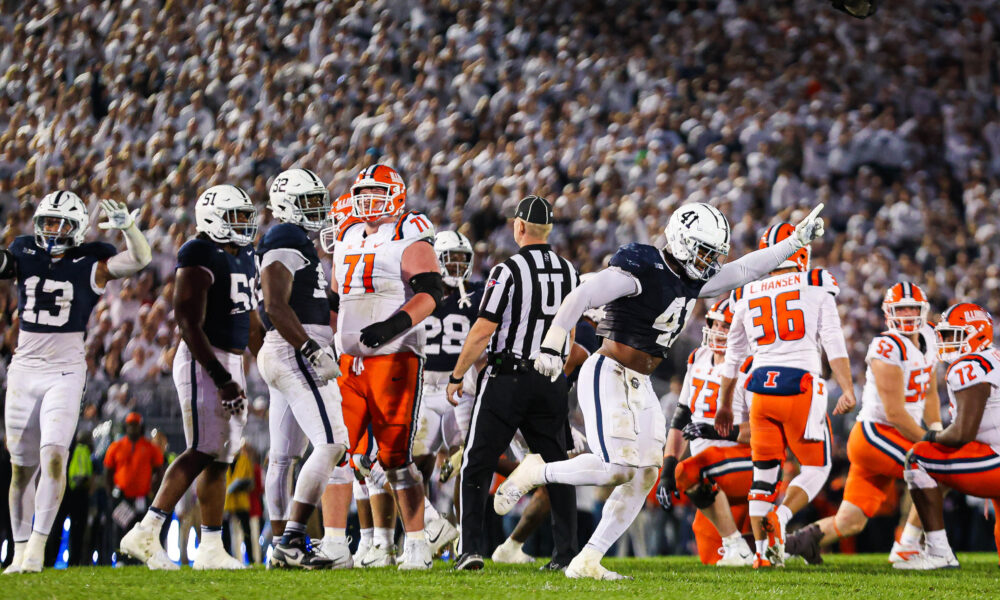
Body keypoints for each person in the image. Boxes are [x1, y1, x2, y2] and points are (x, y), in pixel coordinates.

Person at [495, 203, 826, 580]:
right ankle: (538, 470)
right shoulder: (643, 267)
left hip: (639, 382)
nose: (710, 261)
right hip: (608, 372)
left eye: (713, 253)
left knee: (646, 474)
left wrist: (795, 241)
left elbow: (747, 268)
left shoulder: (690, 279)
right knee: (617, 469)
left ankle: (588, 559)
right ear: (682, 242)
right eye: (704, 251)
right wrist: (554, 342)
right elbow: (581, 296)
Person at [2, 192, 151, 574]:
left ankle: (36, 548)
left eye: (60, 223)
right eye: (47, 222)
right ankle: (19, 551)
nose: (52, 230)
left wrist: (129, 229)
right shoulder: (24, 251)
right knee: (21, 468)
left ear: (78, 227)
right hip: (24, 367)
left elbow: (140, 258)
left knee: (54, 456)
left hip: (66, 369)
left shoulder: (90, 261)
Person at [120, 184, 261, 570]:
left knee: (222, 456)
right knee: (202, 446)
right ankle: (146, 530)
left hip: (231, 361)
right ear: (213, 218)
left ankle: (211, 548)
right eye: (236, 217)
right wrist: (221, 377)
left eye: (246, 217)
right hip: (204, 359)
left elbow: (249, 318)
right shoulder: (198, 251)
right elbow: (187, 321)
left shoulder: (245, 254)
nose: (244, 225)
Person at [447, 195, 580, 572]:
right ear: (549, 230)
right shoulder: (569, 271)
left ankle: (471, 549)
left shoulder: (508, 270)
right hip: (551, 377)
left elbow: (484, 329)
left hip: (508, 376)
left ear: (519, 227)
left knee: (476, 463)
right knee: (558, 468)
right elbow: (569, 334)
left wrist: (458, 374)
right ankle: (566, 554)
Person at [715, 221, 855, 568]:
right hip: (800, 386)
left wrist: (723, 405)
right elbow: (833, 341)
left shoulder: (746, 295)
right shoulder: (816, 284)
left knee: (764, 472)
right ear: (801, 252)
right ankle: (781, 516)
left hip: (759, 390)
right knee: (818, 465)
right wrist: (848, 387)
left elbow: (732, 359)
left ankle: (763, 555)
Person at [329, 164, 444, 570]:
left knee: (395, 457)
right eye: (363, 191)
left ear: (396, 194)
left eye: (378, 191)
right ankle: (342, 543)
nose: (368, 199)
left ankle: (417, 541)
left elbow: (431, 292)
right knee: (341, 451)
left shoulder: (409, 229)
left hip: (395, 356)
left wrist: (392, 326)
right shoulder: (345, 232)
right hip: (349, 358)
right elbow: (337, 296)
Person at [784, 283, 940, 565]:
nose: (906, 314)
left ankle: (791, 544)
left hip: (891, 438)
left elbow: (929, 390)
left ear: (923, 311)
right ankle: (907, 545)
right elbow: (894, 413)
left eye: (912, 308)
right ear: (888, 313)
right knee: (934, 468)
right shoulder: (886, 346)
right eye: (900, 308)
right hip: (876, 433)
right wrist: (930, 440)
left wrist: (937, 425)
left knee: (851, 521)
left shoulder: (930, 337)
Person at [256, 168, 349, 569]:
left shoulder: (296, 240)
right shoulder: (285, 236)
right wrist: (310, 348)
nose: (319, 209)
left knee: (282, 458)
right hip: (294, 348)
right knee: (331, 443)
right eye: (310, 202)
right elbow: (274, 305)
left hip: (284, 348)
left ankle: (281, 544)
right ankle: (293, 539)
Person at [899, 303, 999, 570]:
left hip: (996, 460)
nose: (945, 341)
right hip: (994, 451)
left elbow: (962, 434)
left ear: (976, 333)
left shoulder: (970, 365)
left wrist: (930, 435)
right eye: (943, 335)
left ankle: (938, 552)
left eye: (953, 334)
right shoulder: (992, 358)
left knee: (919, 457)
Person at [657, 297, 755, 566]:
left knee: (689, 471)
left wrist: (719, 432)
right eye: (714, 323)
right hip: (708, 472)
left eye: (726, 325)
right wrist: (667, 469)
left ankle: (742, 543)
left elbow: (762, 430)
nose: (717, 330)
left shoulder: (750, 366)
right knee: (711, 558)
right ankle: (744, 544)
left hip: (745, 466)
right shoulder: (698, 357)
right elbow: (680, 419)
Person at [411, 230, 483, 555]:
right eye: (450, 258)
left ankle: (464, 541)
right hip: (424, 386)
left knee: (465, 462)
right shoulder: (419, 293)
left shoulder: (478, 296)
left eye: (461, 259)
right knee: (415, 465)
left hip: (462, 385)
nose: (456, 265)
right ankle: (426, 532)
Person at [104, 413, 165, 554]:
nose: (132, 428)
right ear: (126, 426)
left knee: (141, 529)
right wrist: (110, 493)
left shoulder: (149, 447)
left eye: (135, 425)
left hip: (141, 497)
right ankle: (120, 558)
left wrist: (154, 491)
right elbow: (108, 471)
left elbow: (160, 471)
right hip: (122, 497)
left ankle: (138, 558)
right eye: (130, 425)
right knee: (120, 528)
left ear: (140, 426)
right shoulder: (116, 446)